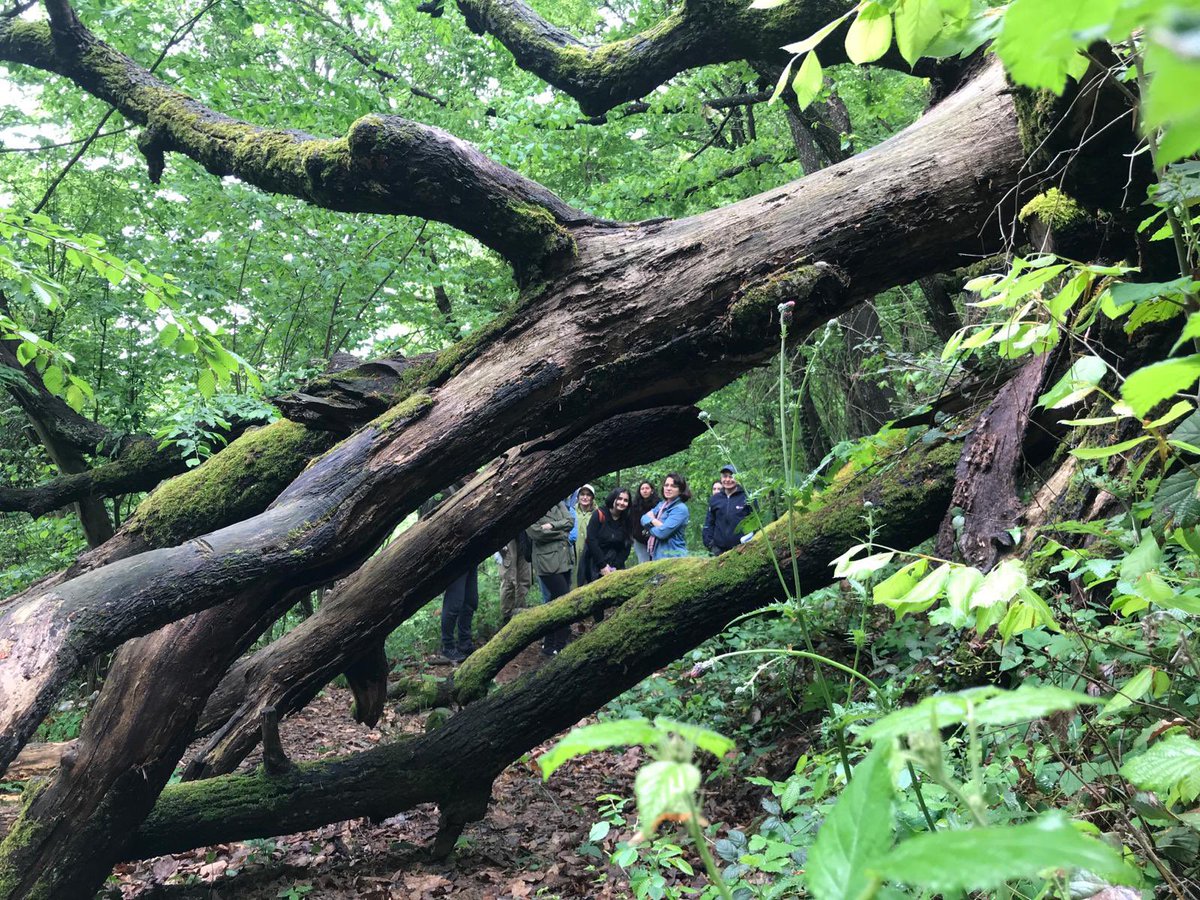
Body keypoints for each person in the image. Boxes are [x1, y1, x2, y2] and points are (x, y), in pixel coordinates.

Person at [526, 500, 573, 656]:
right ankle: (560, 645)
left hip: (564, 558)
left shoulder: (558, 502)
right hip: (546, 562)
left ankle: (549, 645)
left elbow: (570, 521)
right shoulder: (530, 507)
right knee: (563, 600)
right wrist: (561, 531)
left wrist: (552, 526)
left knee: (555, 602)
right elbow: (535, 533)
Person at [580, 487, 634, 585]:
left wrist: (615, 567)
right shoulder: (599, 514)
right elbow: (591, 540)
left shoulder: (627, 519)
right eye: (619, 499)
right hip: (595, 562)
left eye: (625, 500)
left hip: (616, 564)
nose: (622, 502)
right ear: (613, 498)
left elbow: (627, 545)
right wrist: (603, 566)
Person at [703, 464, 754, 556]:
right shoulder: (715, 499)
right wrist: (710, 545)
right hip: (719, 550)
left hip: (743, 548)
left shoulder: (747, 496)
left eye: (731, 476)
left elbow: (756, 521)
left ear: (737, 478)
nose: (727, 480)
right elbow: (709, 523)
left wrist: (751, 542)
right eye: (724, 476)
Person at [641, 473, 692, 560]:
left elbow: (662, 533)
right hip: (658, 555)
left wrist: (650, 526)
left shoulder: (680, 509)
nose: (668, 488)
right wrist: (656, 523)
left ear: (680, 490)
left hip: (674, 555)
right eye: (666, 485)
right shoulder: (661, 505)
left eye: (673, 486)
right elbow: (643, 518)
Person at [498, 531, 532, 625]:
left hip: (523, 536)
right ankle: (507, 617)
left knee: (524, 580)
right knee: (508, 580)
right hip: (506, 537)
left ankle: (521, 614)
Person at [570, 484, 596, 588]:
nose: (585, 497)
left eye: (588, 495)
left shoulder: (597, 514)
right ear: (578, 496)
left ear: (592, 498)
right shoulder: (571, 512)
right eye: (582, 494)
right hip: (573, 552)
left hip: (590, 553)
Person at [630, 480, 658, 564]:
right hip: (639, 539)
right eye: (642, 489)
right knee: (644, 563)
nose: (645, 490)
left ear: (652, 490)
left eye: (647, 488)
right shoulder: (634, 505)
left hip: (655, 538)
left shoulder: (658, 504)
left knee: (656, 562)